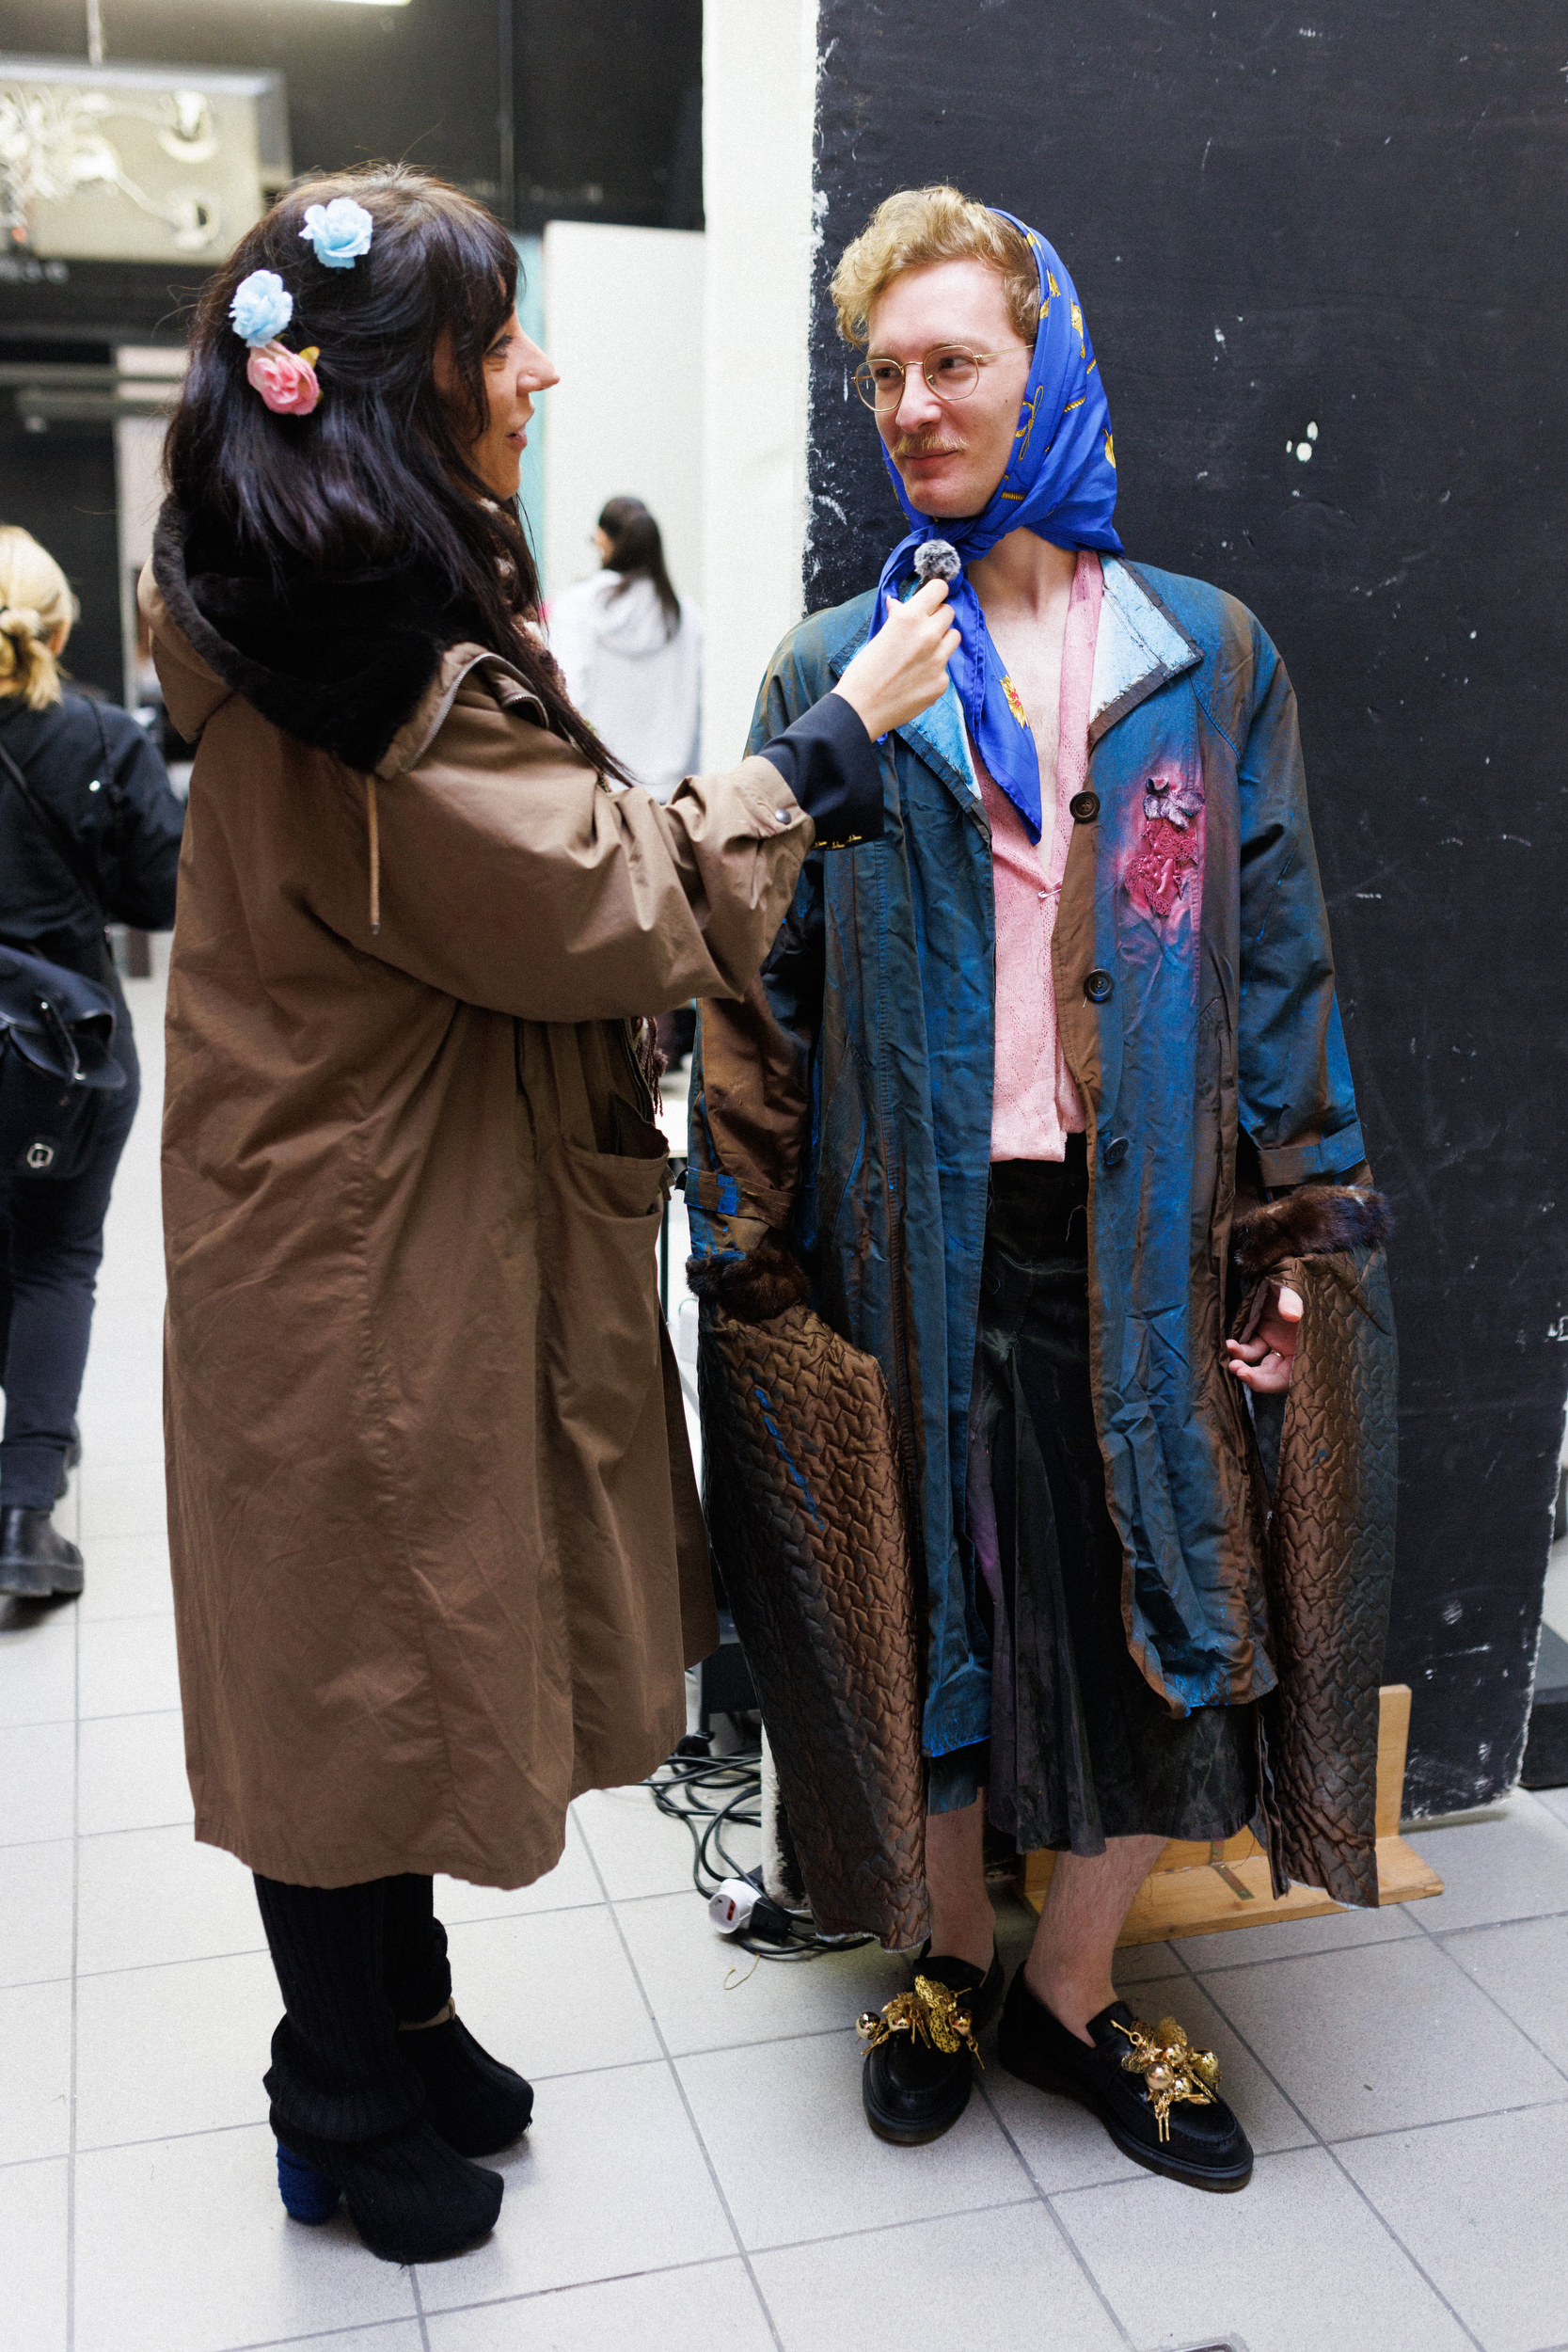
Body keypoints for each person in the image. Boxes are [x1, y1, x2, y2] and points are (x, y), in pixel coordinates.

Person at [143, 164, 956, 2266]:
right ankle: (335, 2094)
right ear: (408, 388)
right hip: (349, 1253)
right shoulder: (368, 685)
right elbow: (623, 898)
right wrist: (825, 748)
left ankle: (402, 2022)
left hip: (353, 1220)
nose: (540, 367)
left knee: (391, 1651)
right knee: (349, 1673)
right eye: (501, 340)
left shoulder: (324, 614)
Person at [689, 186, 1389, 2192]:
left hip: (1133, 1243)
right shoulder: (842, 667)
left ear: (1042, 365)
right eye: (881, 374)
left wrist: (1291, 1226)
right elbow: (759, 993)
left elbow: (1269, 964)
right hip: (899, 1244)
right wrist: (742, 1255)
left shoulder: (1193, 659)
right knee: (916, 1620)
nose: (911, 404)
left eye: (950, 363)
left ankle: (1062, 1987)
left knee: (1150, 1613)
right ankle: (931, 1960)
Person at [0, 525, 183, 1599]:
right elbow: (161, 895)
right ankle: (25, 1518)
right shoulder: (103, 737)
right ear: (62, 627)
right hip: (62, 1053)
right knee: (56, 1259)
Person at [548, 496, 702, 801]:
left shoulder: (576, 607)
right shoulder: (687, 617)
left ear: (602, 539)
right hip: (672, 796)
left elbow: (567, 694)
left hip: (599, 789)